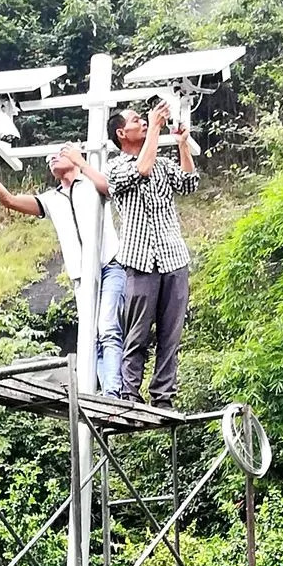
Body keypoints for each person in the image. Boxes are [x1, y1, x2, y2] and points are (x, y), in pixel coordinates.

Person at [0, 142, 125, 397]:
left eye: (59, 154)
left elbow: (114, 188)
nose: (52, 159)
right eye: (49, 158)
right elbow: (9, 200)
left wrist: (82, 162)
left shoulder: (93, 184)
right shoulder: (52, 199)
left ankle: (114, 392)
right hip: (81, 275)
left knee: (107, 327)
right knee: (91, 335)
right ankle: (102, 392)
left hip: (109, 265)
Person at [105, 102, 199, 409]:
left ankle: (163, 397)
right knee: (137, 333)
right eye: (136, 121)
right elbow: (140, 170)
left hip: (173, 257)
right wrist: (156, 128)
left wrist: (183, 144)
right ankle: (130, 395)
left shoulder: (161, 163)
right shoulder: (116, 167)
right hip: (140, 260)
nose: (143, 123)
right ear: (121, 133)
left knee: (171, 335)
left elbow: (188, 183)